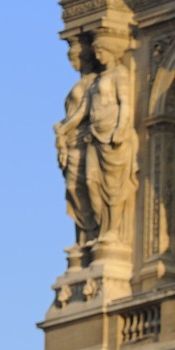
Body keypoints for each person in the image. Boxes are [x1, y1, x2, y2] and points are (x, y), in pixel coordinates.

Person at [83, 32, 138, 244]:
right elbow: (85, 110)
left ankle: (113, 230)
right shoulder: (97, 80)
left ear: (111, 51)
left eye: (100, 51)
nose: (97, 56)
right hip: (95, 134)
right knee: (91, 182)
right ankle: (100, 228)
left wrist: (120, 130)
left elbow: (125, 103)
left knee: (113, 186)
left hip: (112, 135)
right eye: (95, 51)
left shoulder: (120, 74)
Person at [54, 35, 97, 243]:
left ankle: (92, 231)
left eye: (74, 56)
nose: (72, 61)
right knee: (73, 188)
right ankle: (86, 234)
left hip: (81, 140)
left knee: (82, 185)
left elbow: (81, 113)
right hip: (70, 141)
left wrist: (63, 129)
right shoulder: (82, 83)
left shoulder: (93, 83)